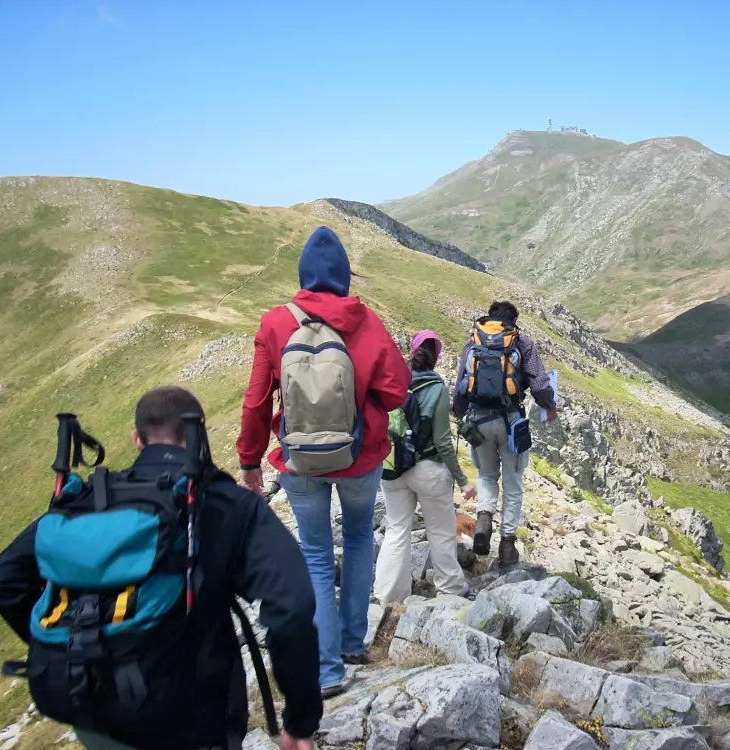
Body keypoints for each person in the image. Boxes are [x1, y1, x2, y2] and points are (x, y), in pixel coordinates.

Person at [0, 386, 322, 750]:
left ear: (136, 440)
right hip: (187, 713)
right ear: (200, 428)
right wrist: (299, 722)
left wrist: (67, 647)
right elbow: (292, 609)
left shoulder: (89, 500)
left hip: (85, 701)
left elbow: (0, 579)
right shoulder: (227, 504)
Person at [237, 226, 410, 697]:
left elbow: (256, 401)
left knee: (314, 554)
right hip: (360, 457)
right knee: (357, 538)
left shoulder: (275, 324)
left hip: (298, 462)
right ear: (343, 276)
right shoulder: (366, 321)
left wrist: (249, 460)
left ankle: (327, 671)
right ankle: (354, 642)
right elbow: (396, 390)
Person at [373, 330, 476, 605]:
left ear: (411, 352)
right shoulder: (436, 388)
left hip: (393, 467)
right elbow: (443, 441)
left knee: (396, 529)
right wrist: (463, 480)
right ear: (436, 357)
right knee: (440, 532)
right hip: (428, 470)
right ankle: (451, 589)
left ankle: (387, 596)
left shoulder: (393, 380)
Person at [453, 300, 557, 566]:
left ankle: (484, 523)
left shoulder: (473, 342)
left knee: (487, 476)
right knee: (513, 482)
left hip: (478, 420)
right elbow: (540, 383)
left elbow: (460, 387)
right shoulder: (521, 343)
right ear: (514, 320)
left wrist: (460, 414)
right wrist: (550, 407)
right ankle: (508, 546)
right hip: (511, 422)